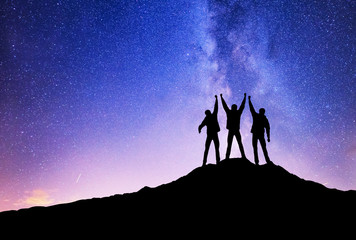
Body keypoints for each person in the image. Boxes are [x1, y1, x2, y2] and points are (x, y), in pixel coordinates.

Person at [220, 93, 247, 159]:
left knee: (231, 144)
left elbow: (225, 106)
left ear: (232, 108)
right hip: (234, 130)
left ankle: (227, 157)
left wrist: (221, 98)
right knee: (237, 144)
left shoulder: (230, 112)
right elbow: (242, 106)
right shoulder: (237, 112)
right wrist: (244, 97)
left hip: (232, 130)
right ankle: (242, 156)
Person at [248, 96, 272, 165]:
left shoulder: (262, 118)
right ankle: (258, 162)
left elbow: (268, 128)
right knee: (257, 148)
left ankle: (264, 161)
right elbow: (251, 108)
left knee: (261, 148)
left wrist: (268, 137)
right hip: (257, 134)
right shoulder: (260, 117)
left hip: (259, 134)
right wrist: (249, 100)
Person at [198, 95, 221, 166]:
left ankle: (215, 161)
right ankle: (205, 162)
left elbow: (216, 107)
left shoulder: (210, 116)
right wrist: (200, 128)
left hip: (213, 134)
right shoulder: (208, 117)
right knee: (210, 148)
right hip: (211, 134)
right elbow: (201, 125)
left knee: (214, 148)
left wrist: (216, 99)